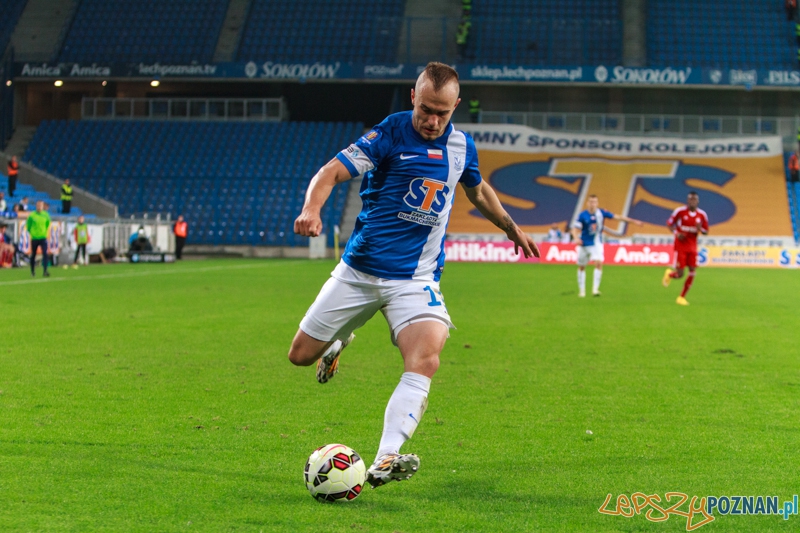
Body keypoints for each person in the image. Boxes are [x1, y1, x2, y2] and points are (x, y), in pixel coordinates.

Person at [289, 62, 539, 489]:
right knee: (300, 356)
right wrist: (311, 208)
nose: (432, 120)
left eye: (442, 112)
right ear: (413, 98)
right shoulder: (388, 133)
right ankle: (336, 340)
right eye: (426, 109)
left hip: (416, 279)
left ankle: (386, 456)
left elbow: (477, 190)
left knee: (426, 357)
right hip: (360, 272)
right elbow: (329, 172)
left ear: (456, 105)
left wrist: (510, 226)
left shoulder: (462, 146)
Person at [570, 195, 643, 297]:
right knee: (582, 267)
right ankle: (581, 291)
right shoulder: (582, 215)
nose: (592, 204)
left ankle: (595, 289)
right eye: (591, 202)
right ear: (587, 203)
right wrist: (576, 238)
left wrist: (634, 221)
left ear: (597, 203)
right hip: (584, 243)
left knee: (599, 263)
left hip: (596, 243)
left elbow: (618, 217)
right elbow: (574, 228)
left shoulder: (601, 213)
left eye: (594, 202)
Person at [662, 192, 709, 306]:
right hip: (681, 246)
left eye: (694, 200)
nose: (692, 202)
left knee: (693, 270)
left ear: (697, 201)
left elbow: (706, 231)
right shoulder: (680, 212)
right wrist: (676, 233)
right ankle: (670, 274)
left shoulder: (702, 215)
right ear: (687, 201)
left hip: (692, 246)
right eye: (690, 200)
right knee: (680, 274)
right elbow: (669, 224)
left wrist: (700, 229)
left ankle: (681, 297)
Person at [26, 200, 51, 277]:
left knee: (45, 254)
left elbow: (47, 224)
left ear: (43, 206)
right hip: (35, 238)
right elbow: (28, 226)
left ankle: (45, 271)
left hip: (43, 237)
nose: (39, 207)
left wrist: (43, 232)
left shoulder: (46, 215)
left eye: (41, 205)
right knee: (33, 254)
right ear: (36, 206)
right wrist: (33, 233)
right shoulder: (32, 215)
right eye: (38, 205)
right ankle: (32, 272)